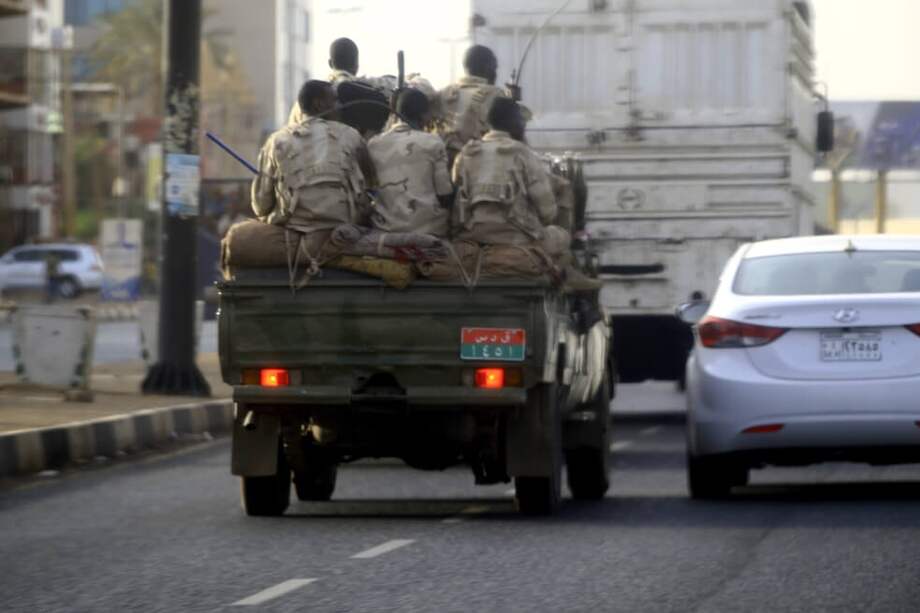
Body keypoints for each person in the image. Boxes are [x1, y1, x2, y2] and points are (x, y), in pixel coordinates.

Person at [253, 80, 375, 235]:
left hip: (293, 228)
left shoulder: (277, 141)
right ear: (319, 104)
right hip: (343, 229)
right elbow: (371, 186)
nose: (340, 106)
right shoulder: (351, 136)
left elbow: (261, 206)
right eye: (334, 100)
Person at [451, 96, 555, 246]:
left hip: (472, 233)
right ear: (514, 122)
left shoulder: (466, 153)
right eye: (521, 120)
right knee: (561, 236)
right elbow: (547, 211)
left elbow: (457, 201)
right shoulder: (522, 153)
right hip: (516, 235)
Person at [367, 88, 454, 237]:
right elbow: (444, 194)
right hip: (428, 229)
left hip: (385, 227)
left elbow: (369, 188)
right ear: (423, 115)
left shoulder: (374, 143)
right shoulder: (432, 142)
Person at [436, 45, 506, 163]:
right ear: (487, 67)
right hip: (480, 162)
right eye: (494, 67)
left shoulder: (443, 93)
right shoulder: (496, 94)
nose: (495, 72)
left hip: (446, 160)